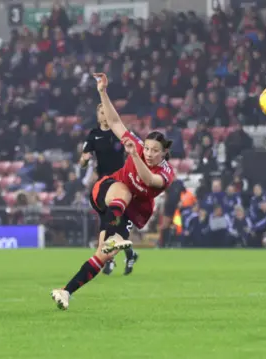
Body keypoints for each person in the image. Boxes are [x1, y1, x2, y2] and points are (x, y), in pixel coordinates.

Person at [51, 73, 176, 310]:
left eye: (154, 151)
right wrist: (102, 91)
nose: (148, 153)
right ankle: (115, 238)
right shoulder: (137, 147)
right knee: (124, 191)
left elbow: (149, 179)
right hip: (107, 191)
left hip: (128, 212)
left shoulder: (166, 172)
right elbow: (116, 122)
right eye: (147, 148)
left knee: (103, 255)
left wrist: (134, 156)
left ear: (163, 154)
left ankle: (65, 291)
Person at [81, 103, 139, 276]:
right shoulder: (93, 135)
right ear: (97, 115)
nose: (104, 115)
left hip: (120, 184)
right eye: (101, 112)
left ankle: (111, 259)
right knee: (110, 223)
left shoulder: (119, 132)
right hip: (102, 185)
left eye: (106, 112)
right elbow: (83, 159)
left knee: (113, 222)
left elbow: (135, 148)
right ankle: (129, 254)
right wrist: (84, 159)